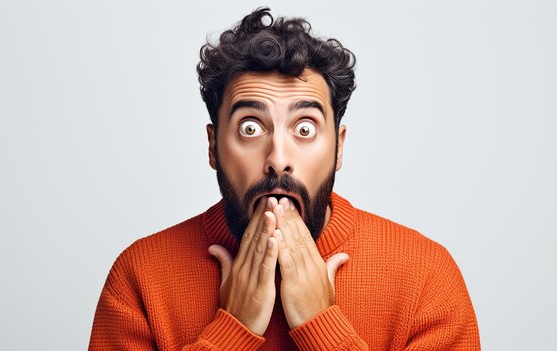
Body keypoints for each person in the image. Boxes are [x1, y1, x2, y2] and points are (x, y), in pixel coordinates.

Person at [89, 7, 480, 350]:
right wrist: (232, 331)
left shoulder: (426, 278)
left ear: (338, 148)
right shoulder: (140, 277)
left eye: (304, 129)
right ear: (213, 147)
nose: (278, 160)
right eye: (250, 129)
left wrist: (321, 325)